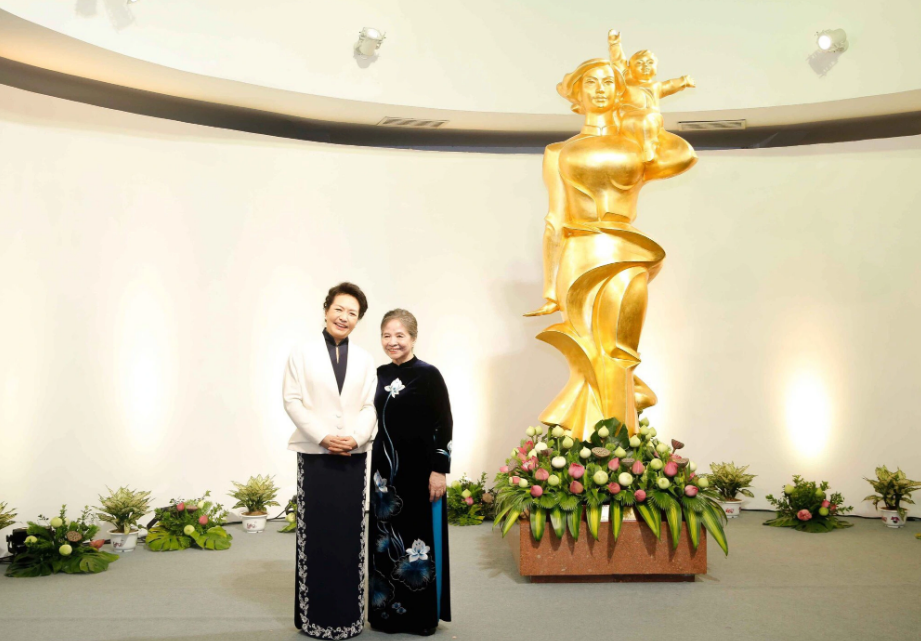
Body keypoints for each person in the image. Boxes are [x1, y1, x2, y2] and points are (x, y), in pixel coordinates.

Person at [525, 45, 697, 439]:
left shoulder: (637, 145)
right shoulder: (558, 152)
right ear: (576, 92)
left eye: (609, 82)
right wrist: (550, 287)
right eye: (591, 81)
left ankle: (617, 448)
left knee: (619, 350)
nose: (600, 89)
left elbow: (683, 155)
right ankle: (592, 450)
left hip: (627, 250)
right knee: (587, 347)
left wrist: (643, 105)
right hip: (580, 251)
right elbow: (554, 219)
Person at [284, 282, 378, 639]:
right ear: (326, 310)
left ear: (358, 320)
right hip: (316, 455)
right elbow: (292, 400)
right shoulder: (302, 353)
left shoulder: (366, 359)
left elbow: (370, 405)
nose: (344, 317)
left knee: (349, 536)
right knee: (317, 536)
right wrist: (323, 436)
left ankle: (350, 619)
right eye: (339, 309)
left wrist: (355, 438)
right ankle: (314, 619)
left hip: (354, 456)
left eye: (352, 313)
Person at [368, 309, 452, 636]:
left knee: (418, 544)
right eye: (387, 335)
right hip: (384, 477)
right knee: (384, 541)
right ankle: (385, 616)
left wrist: (439, 470)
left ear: (413, 338)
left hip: (420, 473)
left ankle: (419, 618)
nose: (393, 342)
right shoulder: (375, 374)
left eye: (400, 335)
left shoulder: (429, 375)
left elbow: (444, 424)